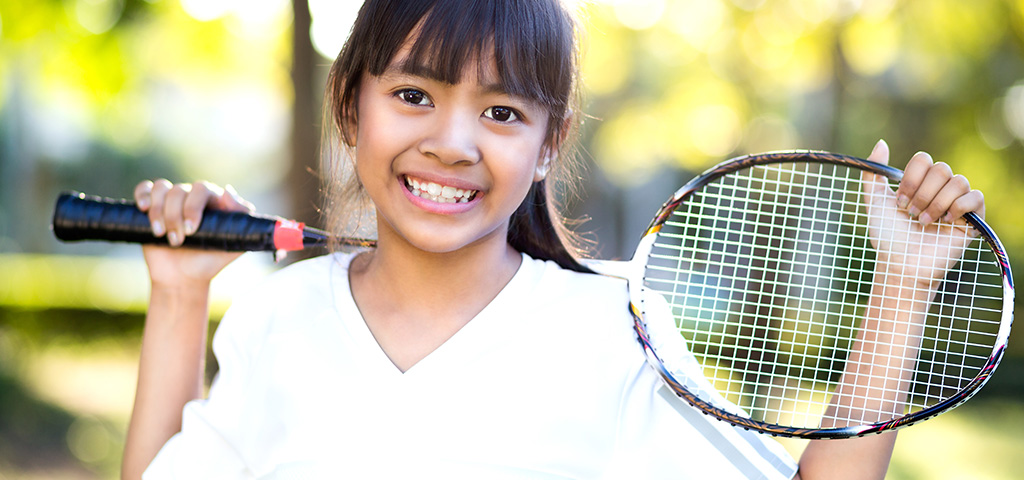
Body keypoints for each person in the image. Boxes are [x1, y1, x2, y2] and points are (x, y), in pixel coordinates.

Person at [120, 0, 986, 479]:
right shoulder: (279, 316)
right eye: (414, 94)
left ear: (548, 146)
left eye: (502, 112)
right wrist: (178, 294)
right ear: (351, 106)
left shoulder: (616, 331)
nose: (453, 142)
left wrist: (902, 283)